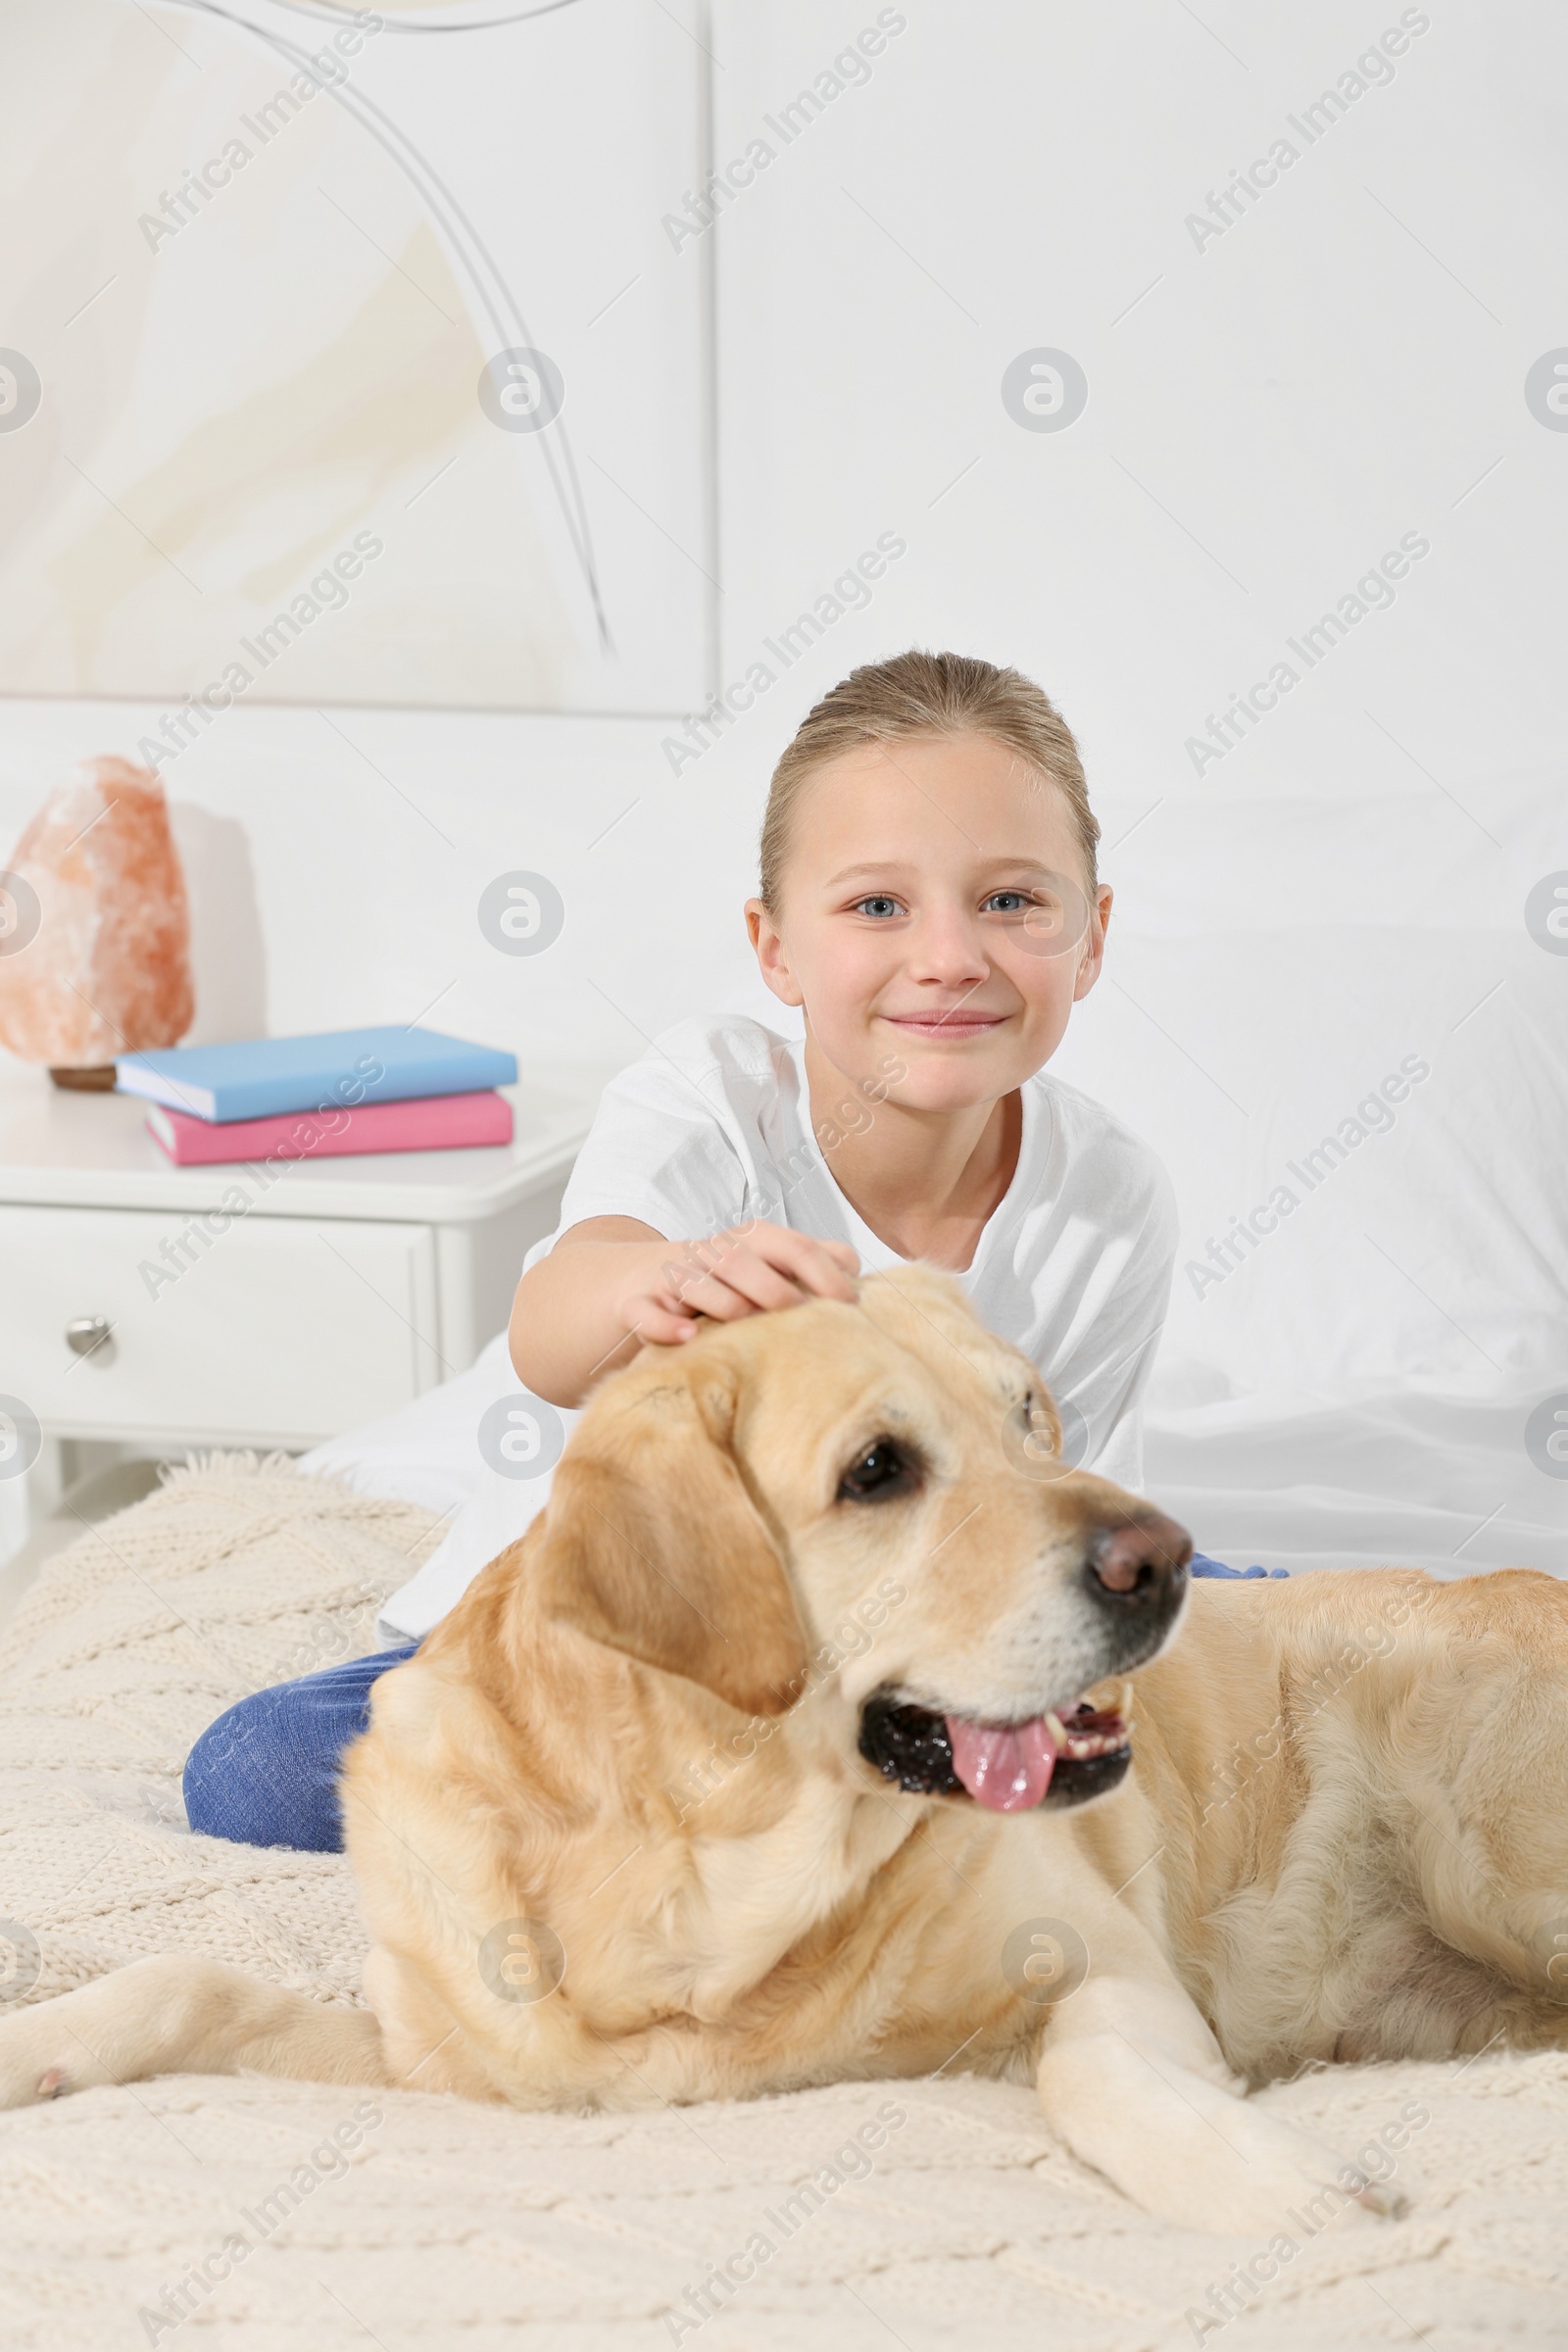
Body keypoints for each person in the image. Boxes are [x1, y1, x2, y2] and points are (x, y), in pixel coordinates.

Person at [183, 650, 1272, 1853]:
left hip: (924, 1619)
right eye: (875, 906)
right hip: (623, 1623)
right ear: (774, 950)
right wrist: (662, 1279)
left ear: (1093, 937)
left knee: (1265, 1633)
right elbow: (552, 1332)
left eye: (1012, 902)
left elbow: (1052, 1507)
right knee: (254, 1772)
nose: (951, 955)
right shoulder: (708, 1099)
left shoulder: (1109, 1199)